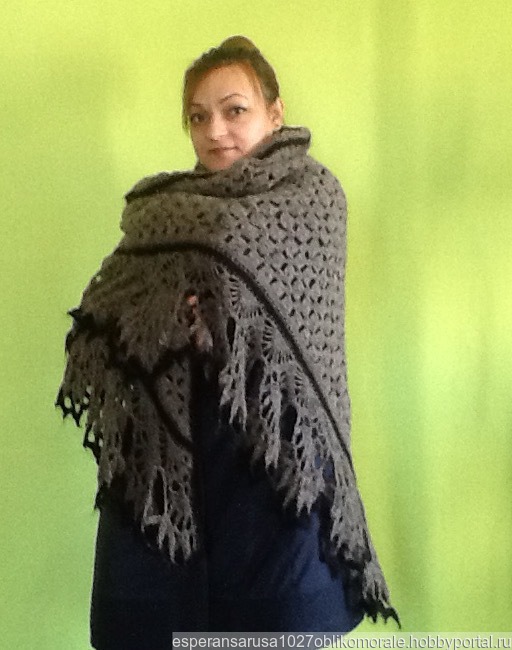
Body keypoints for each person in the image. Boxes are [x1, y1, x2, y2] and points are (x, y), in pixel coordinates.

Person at [56, 36, 400, 649]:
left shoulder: (314, 198)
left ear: (275, 111)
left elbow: (275, 327)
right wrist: (169, 317)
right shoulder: (159, 212)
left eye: (234, 109)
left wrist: (206, 312)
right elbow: (108, 319)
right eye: (198, 117)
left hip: (269, 454)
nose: (214, 130)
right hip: (163, 449)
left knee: (270, 628)